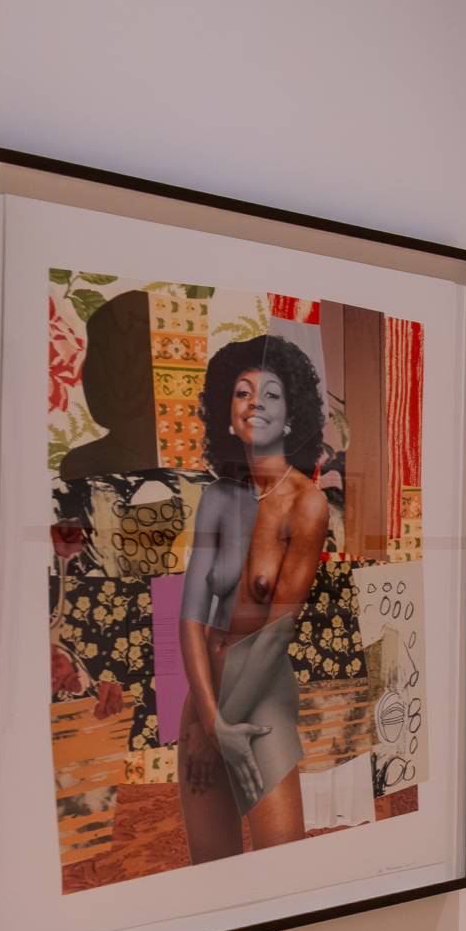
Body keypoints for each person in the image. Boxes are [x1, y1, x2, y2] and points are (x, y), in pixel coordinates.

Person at [176, 333, 331, 862]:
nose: (255, 403)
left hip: (260, 697)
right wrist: (206, 719)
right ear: (227, 414)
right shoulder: (216, 498)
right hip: (204, 696)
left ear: (290, 416)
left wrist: (217, 729)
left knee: (283, 871)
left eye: (271, 394)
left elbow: (277, 631)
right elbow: (191, 617)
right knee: (210, 870)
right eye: (242, 392)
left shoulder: (307, 505)